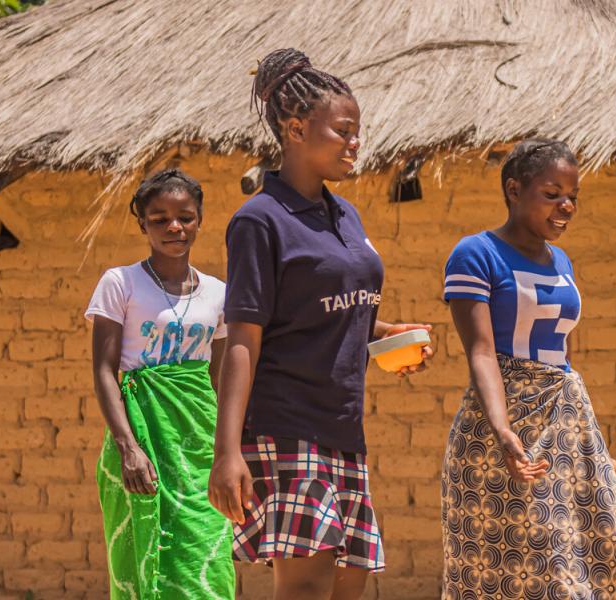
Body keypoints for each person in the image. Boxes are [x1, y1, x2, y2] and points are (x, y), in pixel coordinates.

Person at [207, 48, 433, 600]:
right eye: (343, 131)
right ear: (296, 128)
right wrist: (226, 451)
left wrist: (384, 338)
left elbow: (334, 313)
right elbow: (243, 339)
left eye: (358, 132)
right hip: (285, 425)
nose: (355, 142)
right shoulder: (260, 220)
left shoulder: (345, 215)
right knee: (306, 586)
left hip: (342, 428)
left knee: (347, 585)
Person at [439, 139, 616, 599]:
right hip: (500, 438)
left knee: (601, 567)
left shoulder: (562, 262)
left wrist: (596, 452)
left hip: (561, 433)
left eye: (573, 195)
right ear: (514, 189)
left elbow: (561, 367)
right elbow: (481, 352)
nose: (567, 205)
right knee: (523, 574)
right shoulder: (476, 254)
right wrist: (503, 432)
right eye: (553, 193)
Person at [85, 168, 234, 599]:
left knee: (205, 554)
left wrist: (229, 450)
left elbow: (218, 380)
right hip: (141, 442)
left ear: (199, 220)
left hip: (199, 448)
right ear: (142, 224)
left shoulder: (219, 294)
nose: (174, 226)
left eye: (185, 217)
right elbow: (104, 370)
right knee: (142, 557)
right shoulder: (121, 283)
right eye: (160, 217)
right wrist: (128, 447)